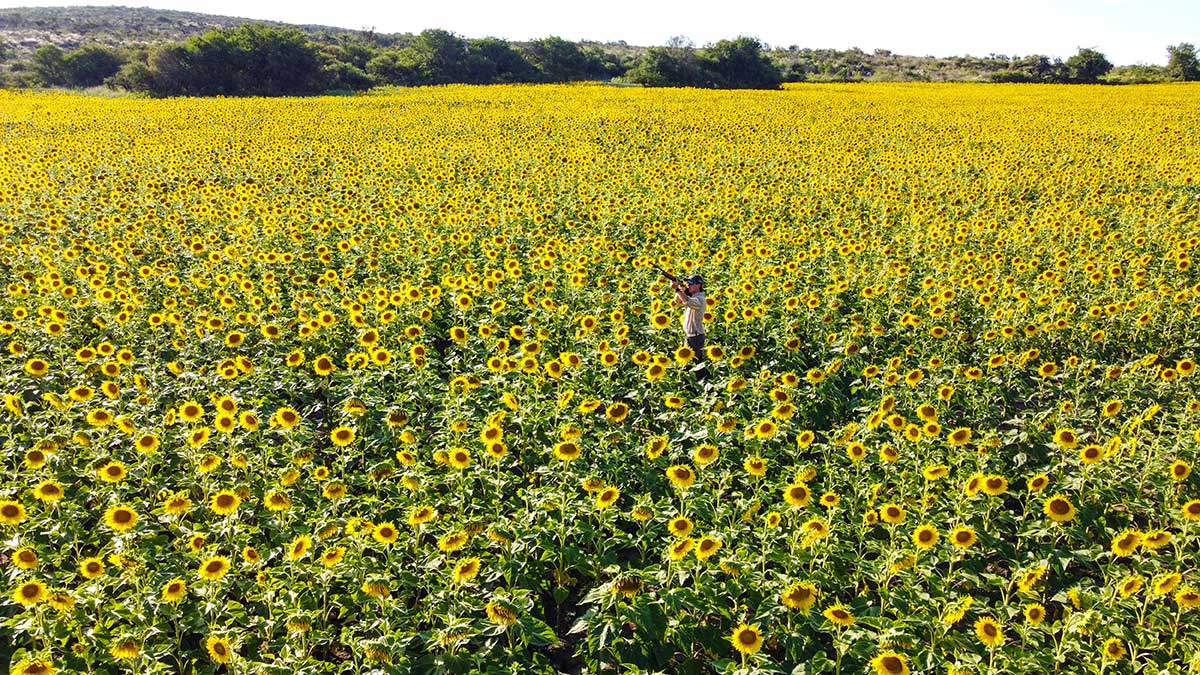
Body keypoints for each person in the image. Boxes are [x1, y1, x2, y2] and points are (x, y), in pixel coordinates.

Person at [671, 275, 707, 381]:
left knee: (694, 366)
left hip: (695, 338)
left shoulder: (700, 299)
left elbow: (687, 301)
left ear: (698, 285)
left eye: (691, 284)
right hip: (690, 336)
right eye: (687, 284)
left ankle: (701, 386)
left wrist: (677, 289)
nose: (688, 286)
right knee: (691, 365)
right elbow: (677, 302)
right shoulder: (692, 296)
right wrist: (681, 289)